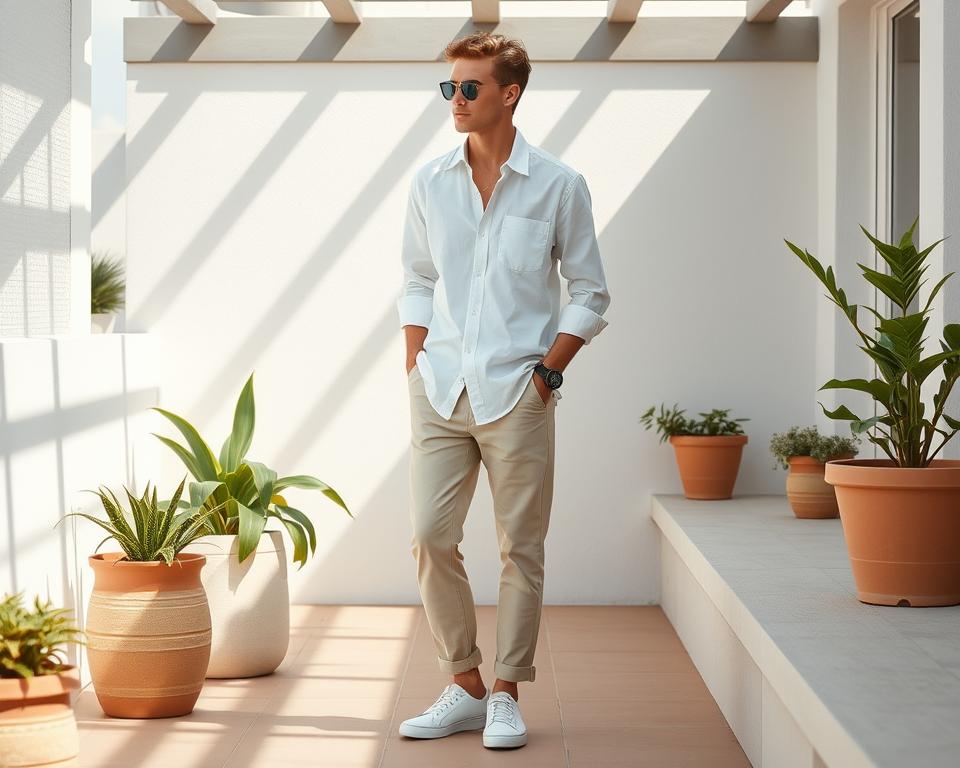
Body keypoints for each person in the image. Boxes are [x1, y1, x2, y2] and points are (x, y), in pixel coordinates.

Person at [395, 31, 610, 750]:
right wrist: (414, 360)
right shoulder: (429, 183)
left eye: (469, 88)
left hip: (518, 390)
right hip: (441, 386)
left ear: (509, 93)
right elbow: (418, 278)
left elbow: (590, 292)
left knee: (521, 547)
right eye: (449, 89)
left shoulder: (558, 185)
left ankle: (508, 694)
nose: (455, 101)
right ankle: (463, 684)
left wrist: (548, 373)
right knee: (430, 535)